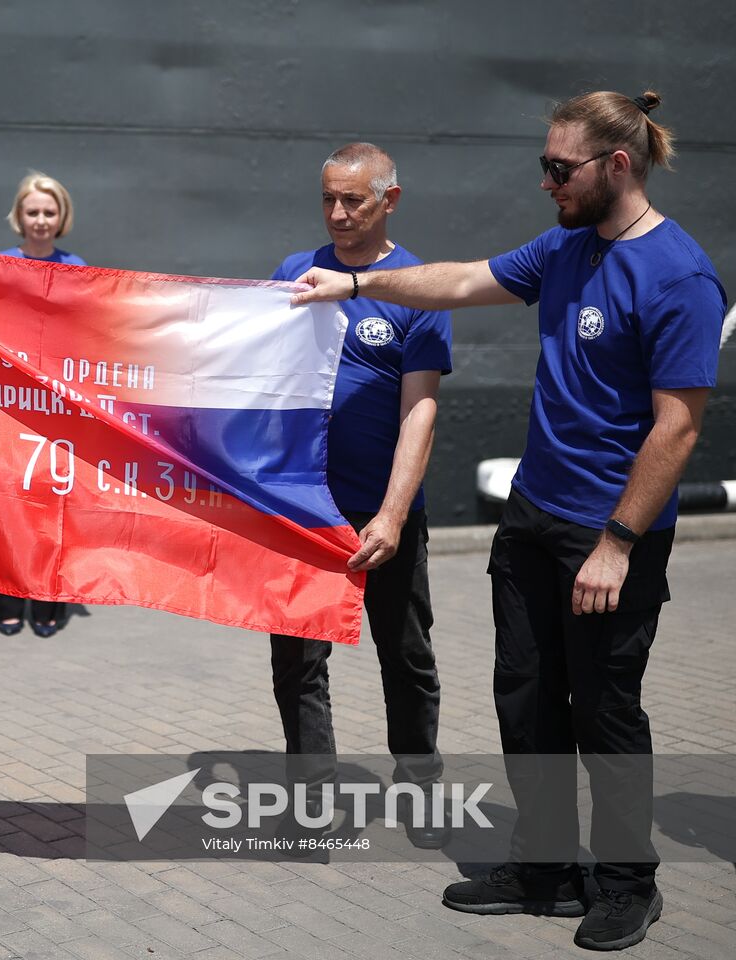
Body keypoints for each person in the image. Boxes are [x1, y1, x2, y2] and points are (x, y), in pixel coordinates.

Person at [292, 91, 725, 952]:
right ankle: (545, 868)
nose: (545, 184)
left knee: (605, 710)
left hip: (609, 535)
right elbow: (458, 281)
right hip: (531, 518)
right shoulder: (565, 247)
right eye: (544, 166)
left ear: (618, 166)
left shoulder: (680, 276)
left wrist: (617, 544)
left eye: (559, 170)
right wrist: (355, 281)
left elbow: (677, 426)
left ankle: (628, 882)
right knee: (525, 701)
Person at [269, 144, 451, 852]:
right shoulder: (294, 273)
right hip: (303, 513)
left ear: (390, 201)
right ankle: (312, 802)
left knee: (403, 654)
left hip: (384, 514)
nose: (339, 214)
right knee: (298, 662)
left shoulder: (418, 286)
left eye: (355, 201)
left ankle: (418, 786)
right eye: (328, 200)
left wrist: (393, 514)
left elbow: (421, 412)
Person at [0, 171, 85, 636]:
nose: (41, 220)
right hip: (8, 401)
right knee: (6, 503)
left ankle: (47, 601)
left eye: (49, 212)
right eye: (33, 212)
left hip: (56, 405)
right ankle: (4, 598)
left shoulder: (77, 266)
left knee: (51, 504)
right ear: (19, 217)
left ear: (60, 217)